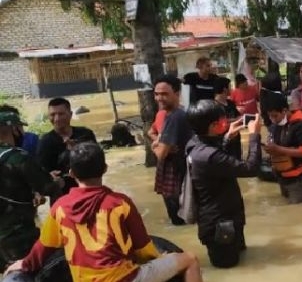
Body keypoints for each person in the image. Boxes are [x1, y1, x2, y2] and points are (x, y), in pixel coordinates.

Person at [5, 142, 203, 282]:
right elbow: (143, 248)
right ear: (105, 169)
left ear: (72, 174)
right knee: (190, 259)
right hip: (125, 278)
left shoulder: (59, 208)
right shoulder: (120, 203)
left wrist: (24, 264)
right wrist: (162, 257)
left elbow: (44, 247)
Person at [185, 100, 262, 268]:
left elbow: (216, 162)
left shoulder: (195, 143)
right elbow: (251, 169)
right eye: (223, 120)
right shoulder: (209, 156)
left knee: (242, 261)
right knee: (228, 269)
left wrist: (226, 138)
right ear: (213, 126)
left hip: (228, 218)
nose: (226, 122)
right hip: (219, 225)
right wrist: (254, 136)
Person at [0, 112, 63, 270]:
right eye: (20, 128)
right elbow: (48, 187)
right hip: (18, 236)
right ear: (14, 129)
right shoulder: (18, 157)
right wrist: (56, 182)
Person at [37, 97, 97, 204]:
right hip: (62, 199)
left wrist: (77, 150)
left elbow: (98, 162)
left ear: (70, 114)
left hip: (89, 194)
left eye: (61, 114)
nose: (56, 119)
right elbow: (41, 173)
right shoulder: (45, 142)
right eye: (52, 115)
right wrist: (49, 177)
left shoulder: (85, 134)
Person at [152, 75, 193, 226]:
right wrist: (160, 142)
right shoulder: (176, 114)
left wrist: (155, 145)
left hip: (176, 174)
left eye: (164, 94)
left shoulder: (174, 117)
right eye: (156, 94)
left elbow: (161, 154)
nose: (159, 98)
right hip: (180, 173)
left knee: (178, 220)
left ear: (177, 94)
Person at [264, 93, 302, 204]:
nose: (273, 119)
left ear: (285, 110)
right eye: (270, 116)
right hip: (282, 176)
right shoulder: (275, 126)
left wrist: (278, 149)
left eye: (275, 115)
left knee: (297, 211)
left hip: (299, 179)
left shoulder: (301, 124)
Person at [213, 77, 242, 159]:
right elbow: (219, 122)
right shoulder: (214, 106)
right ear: (225, 89)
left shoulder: (231, 103)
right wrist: (236, 120)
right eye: (230, 86)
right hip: (223, 140)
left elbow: (238, 115)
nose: (231, 89)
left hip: (236, 139)